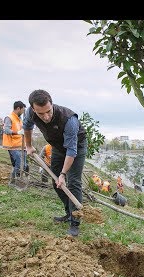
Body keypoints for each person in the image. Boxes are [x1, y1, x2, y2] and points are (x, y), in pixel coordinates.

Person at [23, 90, 88, 237]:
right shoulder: (30, 113)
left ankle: (75, 222)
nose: (46, 117)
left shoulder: (68, 119)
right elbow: (27, 127)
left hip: (76, 148)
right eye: (41, 114)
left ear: (52, 104)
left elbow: (71, 151)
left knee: (73, 183)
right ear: (33, 109)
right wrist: (28, 145)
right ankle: (69, 213)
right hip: (58, 148)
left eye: (48, 111)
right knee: (56, 182)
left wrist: (63, 174)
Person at [2, 100, 28, 187]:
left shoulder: (19, 119)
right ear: (18, 108)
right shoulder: (9, 118)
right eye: (22, 110)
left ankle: (13, 182)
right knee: (19, 164)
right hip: (13, 146)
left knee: (22, 165)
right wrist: (18, 132)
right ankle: (17, 183)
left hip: (21, 146)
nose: (23, 112)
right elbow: (6, 130)